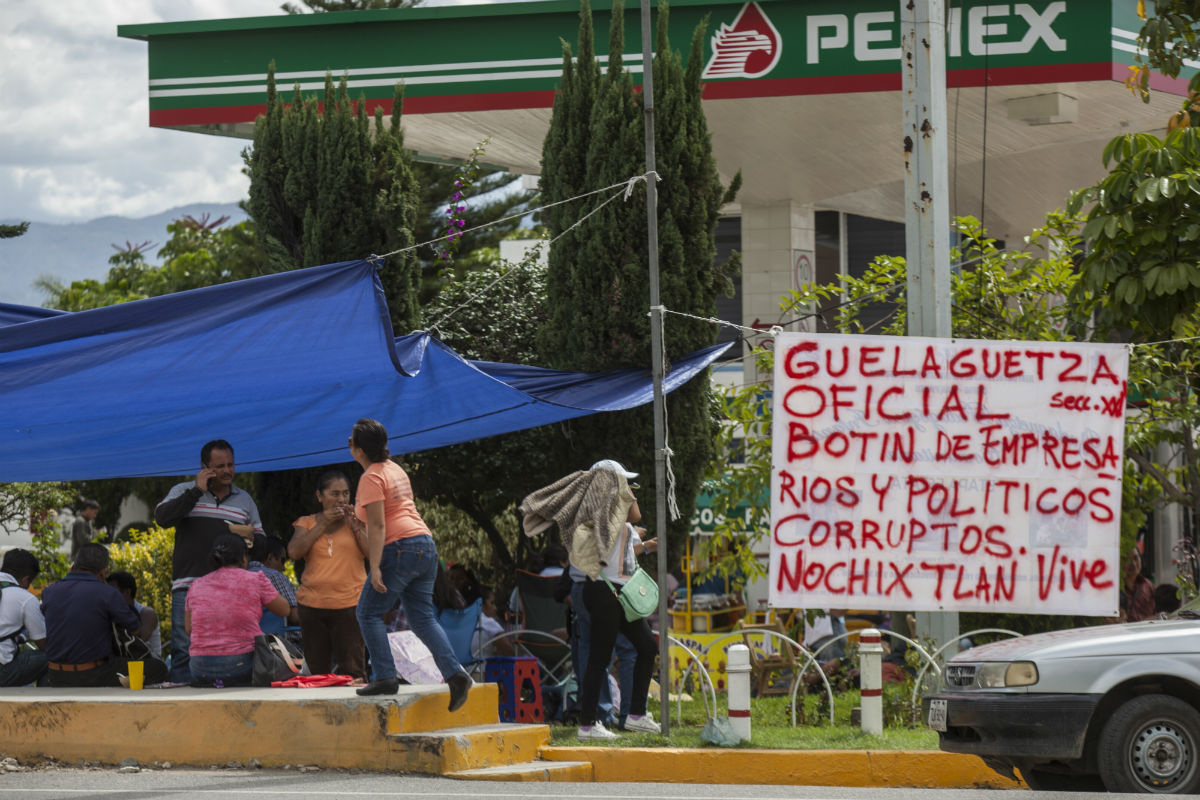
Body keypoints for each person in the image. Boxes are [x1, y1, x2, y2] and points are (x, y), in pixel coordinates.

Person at [520, 458, 660, 739]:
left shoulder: (603, 511)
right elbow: (635, 514)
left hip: (615, 592)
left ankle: (634, 715)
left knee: (645, 647)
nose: (630, 489)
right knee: (600, 658)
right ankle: (588, 724)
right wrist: (624, 490)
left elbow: (621, 546)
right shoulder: (601, 509)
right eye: (623, 483)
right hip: (603, 591)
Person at [349, 417, 472, 708]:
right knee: (422, 618)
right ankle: (455, 674)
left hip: (399, 548)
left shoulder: (371, 477)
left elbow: (379, 526)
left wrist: (376, 566)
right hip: (424, 545)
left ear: (359, 451)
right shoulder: (395, 470)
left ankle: (385, 676)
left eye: (351, 442)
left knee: (367, 612)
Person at [155, 439, 264, 683]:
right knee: (183, 648)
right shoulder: (184, 490)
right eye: (220, 466)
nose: (227, 471)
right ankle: (181, 705)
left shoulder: (244, 500)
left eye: (231, 465)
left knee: (235, 643)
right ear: (205, 467)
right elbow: (162, 518)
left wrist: (245, 537)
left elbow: (262, 542)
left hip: (232, 589)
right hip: (189, 584)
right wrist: (197, 490)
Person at [41, 543, 167, 687]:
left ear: (74, 566)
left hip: (56, 674)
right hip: (93, 673)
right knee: (158, 668)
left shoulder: (49, 592)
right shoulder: (108, 593)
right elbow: (136, 630)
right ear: (103, 572)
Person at [290, 470, 368, 680]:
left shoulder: (357, 521)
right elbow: (294, 552)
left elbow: (372, 552)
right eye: (334, 494)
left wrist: (356, 525)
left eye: (345, 493)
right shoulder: (306, 522)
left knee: (353, 672)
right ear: (320, 496)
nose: (341, 499)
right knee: (317, 674)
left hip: (350, 605)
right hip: (312, 607)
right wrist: (322, 523)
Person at [186, 533, 289, 686]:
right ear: (243, 558)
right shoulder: (255, 579)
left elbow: (189, 629)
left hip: (199, 669)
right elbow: (285, 610)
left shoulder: (196, 585)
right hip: (240, 666)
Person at [0, 549, 48, 687]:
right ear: (25, 579)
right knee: (53, 658)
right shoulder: (25, 598)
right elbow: (43, 644)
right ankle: (45, 705)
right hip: (3, 672)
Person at [106, 570, 163, 660]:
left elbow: (137, 645)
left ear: (127, 592)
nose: (108, 595)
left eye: (113, 592)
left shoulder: (147, 613)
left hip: (151, 666)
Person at [248, 535, 300, 633]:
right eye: (283, 560)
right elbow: (295, 616)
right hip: (273, 639)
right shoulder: (274, 576)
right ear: (270, 558)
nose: (284, 568)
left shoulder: (239, 574)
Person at [472, 586, 515, 660]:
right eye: (492, 603)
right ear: (481, 604)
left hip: (463, 670)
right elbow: (510, 652)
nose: (495, 608)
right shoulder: (488, 623)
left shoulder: (464, 622)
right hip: (483, 669)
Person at [1122, 547, 1156, 622]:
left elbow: (1156, 613)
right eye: (1127, 560)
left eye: (1135, 558)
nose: (1133, 563)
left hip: (1145, 631)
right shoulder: (1116, 588)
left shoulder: (1148, 585)